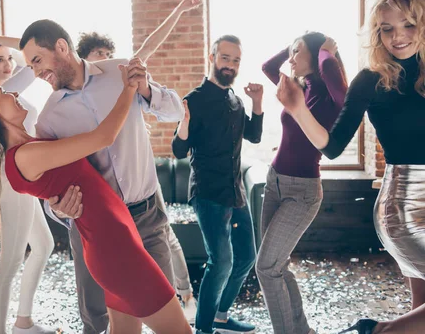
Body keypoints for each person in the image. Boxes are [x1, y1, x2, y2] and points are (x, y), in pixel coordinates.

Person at [0, 0, 202, 334]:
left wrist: (142, 88)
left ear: (62, 47)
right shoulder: (48, 118)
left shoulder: (121, 72)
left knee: (153, 312)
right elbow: (55, 185)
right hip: (95, 232)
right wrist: (59, 210)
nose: (34, 73)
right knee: (97, 318)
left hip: (146, 215)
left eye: (37, 61)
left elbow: (175, 111)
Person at [0, 62, 193, 333]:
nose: (15, 94)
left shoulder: (28, 148)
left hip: (115, 243)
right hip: (115, 249)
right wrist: (128, 88)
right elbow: (103, 137)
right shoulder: (23, 157)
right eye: (5, 94)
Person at [276, 0, 425, 334]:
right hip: (404, 204)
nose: (397, 37)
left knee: (420, 316)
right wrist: (298, 109)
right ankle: (374, 331)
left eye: (408, 25)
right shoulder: (370, 80)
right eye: (386, 28)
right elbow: (331, 145)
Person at [77, 31, 198, 323]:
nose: (105, 61)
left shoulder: (127, 86)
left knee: (162, 280)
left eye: (109, 55)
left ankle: (185, 296)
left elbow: (172, 110)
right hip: (102, 215)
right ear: (84, 63)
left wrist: (144, 88)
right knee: (107, 301)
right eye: (98, 57)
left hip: (145, 200)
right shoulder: (70, 105)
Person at [172, 35, 264, 334]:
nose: (230, 65)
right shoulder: (195, 99)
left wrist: (258, 104)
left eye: (236, 60)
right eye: (225, 58)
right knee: (221, 262)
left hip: (235, 192)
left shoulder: (235, 100)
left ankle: (221, 318)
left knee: (247, 257)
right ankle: (203, 330)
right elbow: (178, 151)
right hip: (208, 194)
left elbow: (253, 136)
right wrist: (183, 125)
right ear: (212, 57)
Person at [258, 33, 348, 334]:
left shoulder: (331, 97)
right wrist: (293, 47)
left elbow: (338, 87)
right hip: (274, 183)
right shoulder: (299, 88)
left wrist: (325, 52)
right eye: (291, 53)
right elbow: (268, 67)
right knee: (276, 266)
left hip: (302, 193)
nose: (291, 59)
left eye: (297, 53)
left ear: (317, 58)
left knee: (266, 269)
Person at [0, 45, 56, 334]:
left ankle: (23, 321)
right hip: (12, 179)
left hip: (20, 176)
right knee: (11, 261)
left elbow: (29, 61)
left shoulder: (9, 94)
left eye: (10, 59)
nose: (9, 65)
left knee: (44, 245)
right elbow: (32, 58)